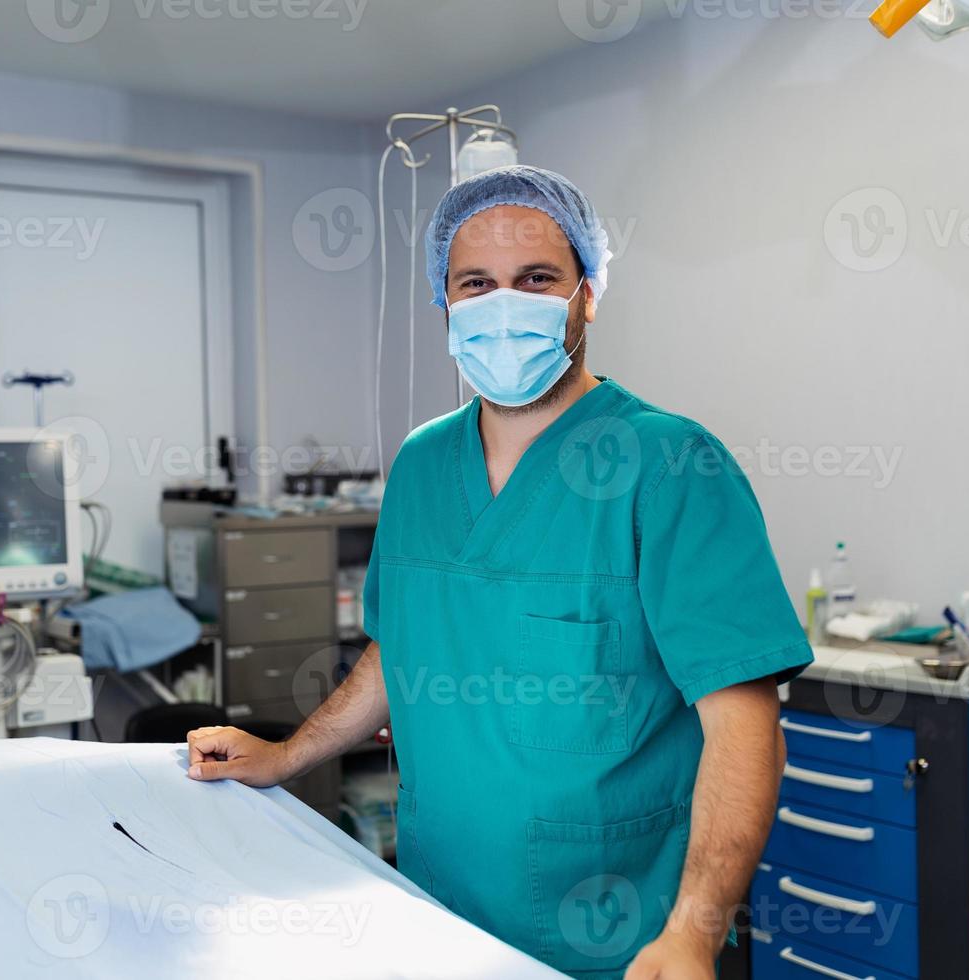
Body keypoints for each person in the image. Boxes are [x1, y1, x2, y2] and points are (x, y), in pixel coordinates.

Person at [186, 166, 812, 980]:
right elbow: (398, 648)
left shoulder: (670, 463)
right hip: (439, 910)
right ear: (444, 305)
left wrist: (692, 934)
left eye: (536, 279)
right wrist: (283, 756)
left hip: (617, 937)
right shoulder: (420, 463)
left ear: (587, 294)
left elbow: (746, 725)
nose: (503, 306)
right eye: (476, 283)